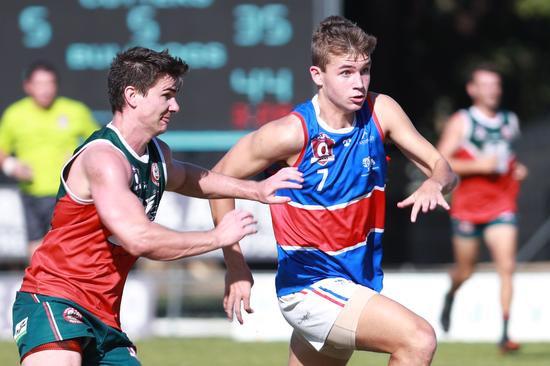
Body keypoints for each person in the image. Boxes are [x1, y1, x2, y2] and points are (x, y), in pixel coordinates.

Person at [11, 47, 303, 366]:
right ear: (133, 95)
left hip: (104, 315)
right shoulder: (105, 160)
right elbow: (140, 238)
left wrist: (256, 189)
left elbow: (192, 177)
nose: (175, 106)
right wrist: (216, 237)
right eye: (167, 95)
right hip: (54, 299)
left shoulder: (156, 155)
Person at [210, 16, 457, 366]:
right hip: (309, 286)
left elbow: (443, 167)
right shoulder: (290, 134)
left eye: (365, 70)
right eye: (345, 72)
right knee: (418, 340)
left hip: (353, 283)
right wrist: (235, 266)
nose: (358, 83)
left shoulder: (380, 112)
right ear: (317, 76)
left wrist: (435, 181)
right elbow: (218, 181)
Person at [436, 63, 528, 353]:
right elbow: (439, 160)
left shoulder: (509, 121)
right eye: (485, 85)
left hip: (501, 206)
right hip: (467, 208)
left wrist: (517, 170)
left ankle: (504, 334)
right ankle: (452, 293)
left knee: (507, 267)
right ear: (472, 90)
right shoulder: (462, 122)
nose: (492, 90)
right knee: (466, 270)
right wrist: (478, 166)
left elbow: (508, 159)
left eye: (496, 85)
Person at [0, 61, 99, 258]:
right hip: (32, 194)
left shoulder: (75, 111)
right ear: (28, 86)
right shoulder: (14, 115)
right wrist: (12, 166)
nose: (45, 89)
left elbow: (100, 143)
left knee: (69, 249)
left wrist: (78, 156)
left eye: (50, 83)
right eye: (39, 84)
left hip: (69, 194)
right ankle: (40, 287)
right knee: (37, 251)